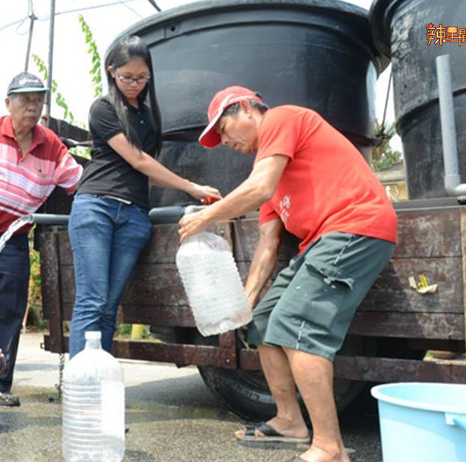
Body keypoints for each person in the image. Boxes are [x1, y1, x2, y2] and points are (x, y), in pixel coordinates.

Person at [178, 86, 397, 462]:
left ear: (247, 108)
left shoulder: (282, 119)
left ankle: (330, 447)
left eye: (225, 129)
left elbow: (258, 187)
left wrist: (206, 217)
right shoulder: (269, 170)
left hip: (355, 227)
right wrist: (243, 303)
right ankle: (290, 420)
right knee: (263, 321)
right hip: (321, 241)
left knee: (298, 324)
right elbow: (268, 244)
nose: (225, 140)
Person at [67, 35, 221, 359]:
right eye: (127, 77)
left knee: (109, 306)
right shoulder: (103, 108)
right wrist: (192, 187)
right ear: (112, 72)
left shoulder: (149, 116)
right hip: (97, 207)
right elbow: (138, 160)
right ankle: (82, 383)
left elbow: (148, 171)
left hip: (134, 216)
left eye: (142, 77)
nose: (135, 84)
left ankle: (97, 378)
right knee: (92, 300)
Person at [0, 71, 83, 407]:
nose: (32, 106)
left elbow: (79, 183)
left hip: (15, 241)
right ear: (8, 103)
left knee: (8, 313)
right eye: (25, 99)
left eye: (38, 100)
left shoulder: (51, 145)